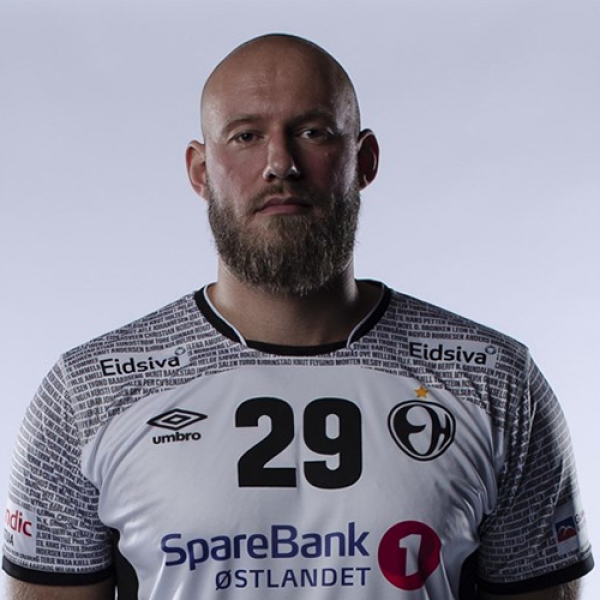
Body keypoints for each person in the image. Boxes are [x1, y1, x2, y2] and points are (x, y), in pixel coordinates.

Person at [2, 33, 593, 600]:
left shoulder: (493, 380)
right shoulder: (90, 392)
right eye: (246, 136)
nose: (281, 163)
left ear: (364, 160)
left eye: (313, 132)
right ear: (201, 171)